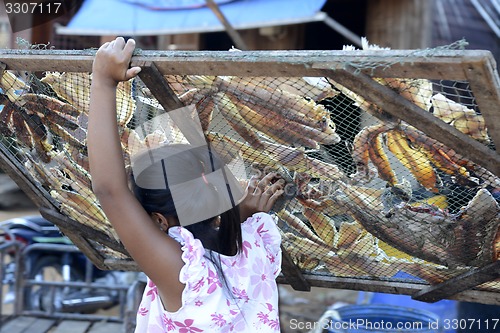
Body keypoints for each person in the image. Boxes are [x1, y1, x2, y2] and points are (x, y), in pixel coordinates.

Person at [88, 37, 285, 332]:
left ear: (158, 220)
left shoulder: (182, 275)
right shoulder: (254, 244)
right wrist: (242, 214)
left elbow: (110, 190)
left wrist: (102, 81)